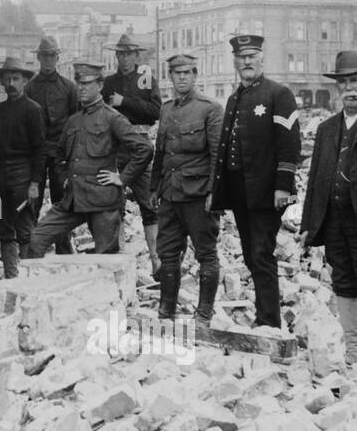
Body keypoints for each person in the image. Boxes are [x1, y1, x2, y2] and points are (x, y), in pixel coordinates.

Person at [211, 34, 301, 330]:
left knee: (262, 255)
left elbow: (290, 144)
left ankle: (269, 324)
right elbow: (225, 148)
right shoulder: (234, 97)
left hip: (265, 193)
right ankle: (265, 318)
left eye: (252, 56)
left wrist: (282, 187)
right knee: (251, 255)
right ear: (235, 61)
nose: (247, 61)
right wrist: (219, 192)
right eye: (241, 57)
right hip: (239, 193)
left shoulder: (279, 94)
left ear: (262, 58)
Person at [27, 61, 151, 257]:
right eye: (79, 83)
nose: (81, 88)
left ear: (100, 86)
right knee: (36, 239)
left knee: (106, 259)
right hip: (73, 199)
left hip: (103, 201)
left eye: (87, 83)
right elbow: (59, 155)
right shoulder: (73, 120)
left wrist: (122, 178)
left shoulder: (112, 118)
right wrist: (65, 177)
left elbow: (144, 148)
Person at [150, 53, 224, 332]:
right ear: (170, 77)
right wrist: (155, 186)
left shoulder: (210, 109)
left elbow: (218, 155)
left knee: (206, 254)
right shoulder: (166, 109)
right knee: (168, 253)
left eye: (187, 72)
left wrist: (214, 194)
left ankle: (203, 315)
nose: (181, 77)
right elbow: (160, 151)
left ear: (195, 74)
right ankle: (166, 312)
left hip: (198, 195)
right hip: (169, 194)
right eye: (176, 73)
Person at [299, 50, 357, 364]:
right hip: (334, 219)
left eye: (356, 80)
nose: (351, 88)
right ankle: (353, 350)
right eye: (345, 82)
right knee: (344, 280)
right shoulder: (326, 129)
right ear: (337, 88)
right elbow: (315, 181)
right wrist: (309, 223)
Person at [102, 31, 163, 276]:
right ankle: (118, 260)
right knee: (113, 203)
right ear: (116, 56)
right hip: (116, 148)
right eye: (121, 54)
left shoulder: (146, 78)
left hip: (141, 145)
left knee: (150, 203)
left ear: (136, 55)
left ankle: (156, 260)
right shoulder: (108, 82)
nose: (125, 58)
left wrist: (124, 102)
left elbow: (155, 111)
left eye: (129, 54)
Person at [0, 55, 45, 277]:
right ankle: (10, 276)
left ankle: (27, 281)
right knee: (2, 228)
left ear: (24, 81)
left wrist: (35, 183)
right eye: (7, 79)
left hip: (21, 176)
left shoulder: (33, 110)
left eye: (15, 79)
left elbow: (40, 150)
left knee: (25, 229)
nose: (11, 84)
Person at [25, 35, 79, 254]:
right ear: (38, 58)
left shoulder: (69, 88)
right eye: (44, 56)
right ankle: (30, 248)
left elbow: (75, 121)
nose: (48, 61)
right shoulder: (29, 88)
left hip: (60, 154)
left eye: (51, 56)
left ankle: (63, 249)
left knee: (62, 202)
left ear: (57, 58)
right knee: (32, 201)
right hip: (36, 154)